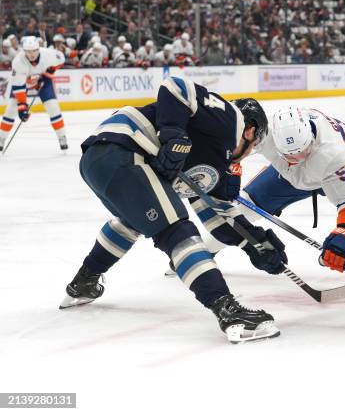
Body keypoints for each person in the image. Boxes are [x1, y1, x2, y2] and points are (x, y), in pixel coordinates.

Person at [60, 77, 286, 343]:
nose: (249, 153)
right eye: (255, 144)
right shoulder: (230, 121)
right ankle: (229, 313)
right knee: (176, 229)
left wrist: (253, 242)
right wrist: (173, 134)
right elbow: (176, 86)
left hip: (100, 160)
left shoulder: (215, 164)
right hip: (121, 148)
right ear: (250, 132)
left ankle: (84, 282)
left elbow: (216, 212)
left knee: (132, 221)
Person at [230, 107, 345, 274]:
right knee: (235, 212)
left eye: (302, 152)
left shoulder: (331, 150)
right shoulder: (264, 130)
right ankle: (204, 264)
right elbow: (226, 143)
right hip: (291, 174)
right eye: (290, 154)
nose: (298, 158)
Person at [0, 36, 67, 151]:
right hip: (23, 84)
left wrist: (50, 71)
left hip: (43, 81)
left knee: (53, 107)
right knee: (11, 110)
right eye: (28, 51)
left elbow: (61, 59)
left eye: (34, 51)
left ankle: (62, 136)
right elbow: (19, 86)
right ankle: (1, 138)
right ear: (24, 51)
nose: (31, 54)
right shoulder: (18, 61)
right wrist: (22, 107)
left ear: (39, 49)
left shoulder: (48, 54)